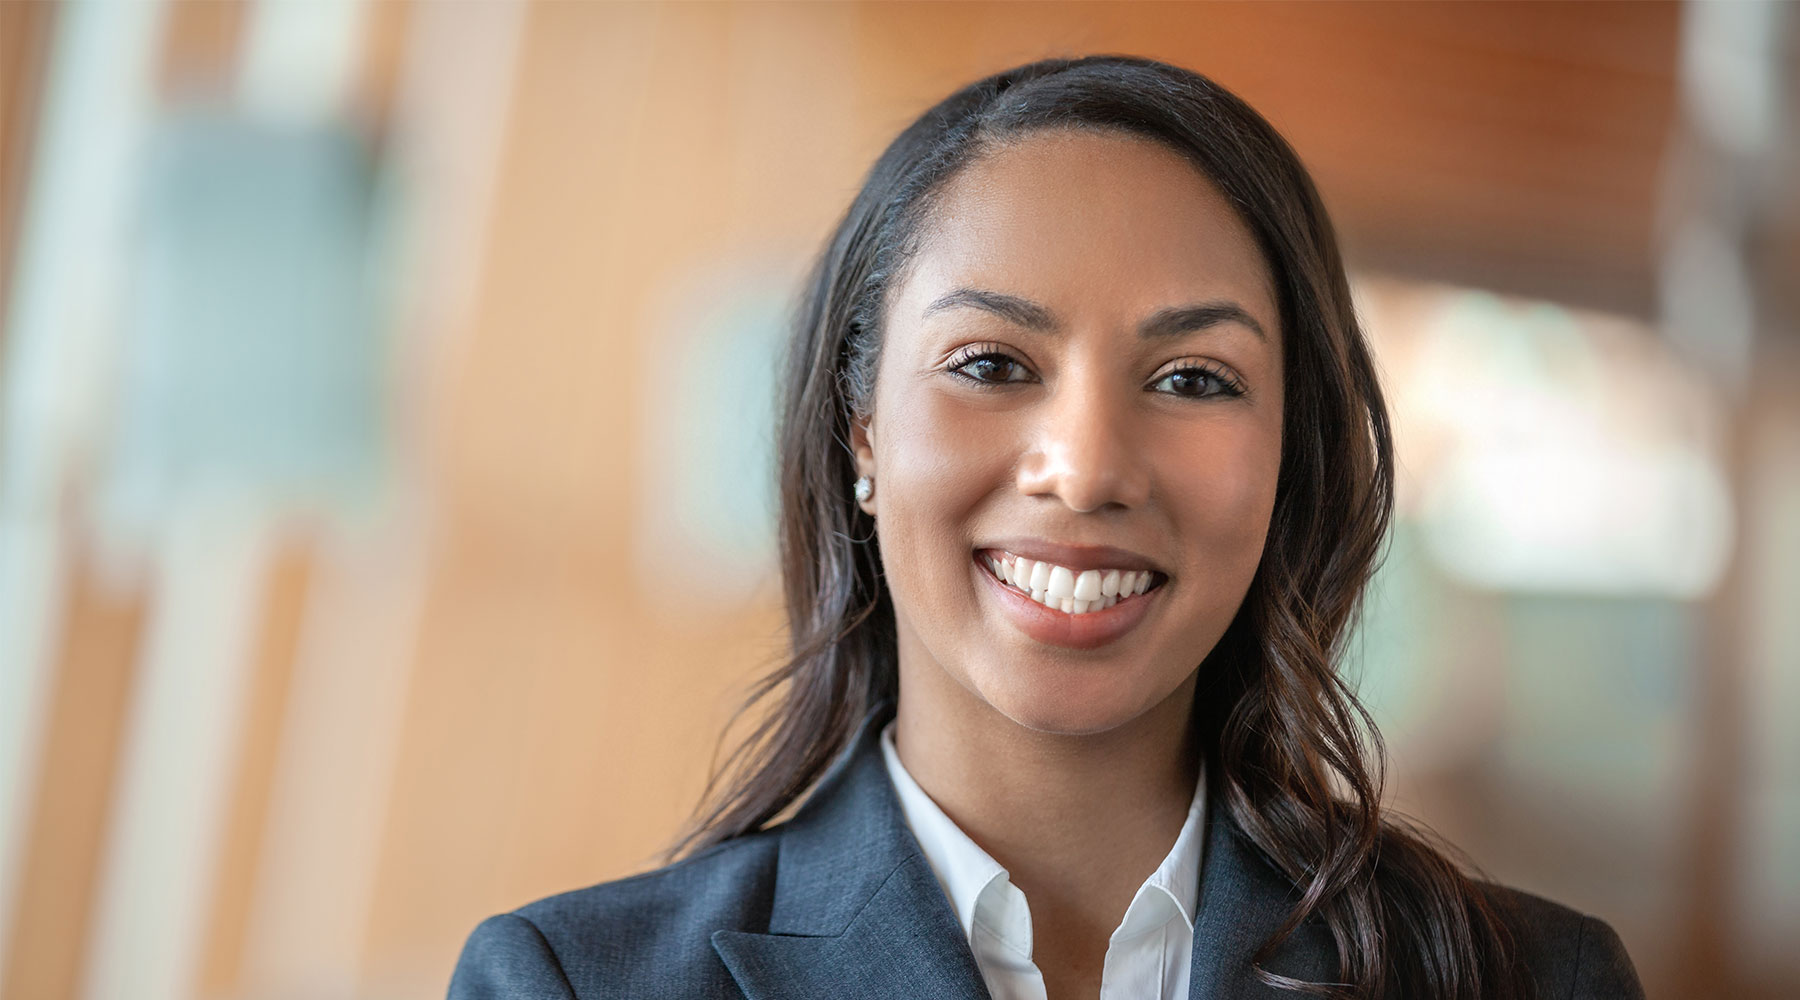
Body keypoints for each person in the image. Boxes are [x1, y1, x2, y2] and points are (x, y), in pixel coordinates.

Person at [448, 55, 1645, 1000]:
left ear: (1292, 457)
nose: (1083, 470)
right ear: (860, 432)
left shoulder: (1533, 980)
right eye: (990, 362)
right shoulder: (572, 984)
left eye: (1192, 378)